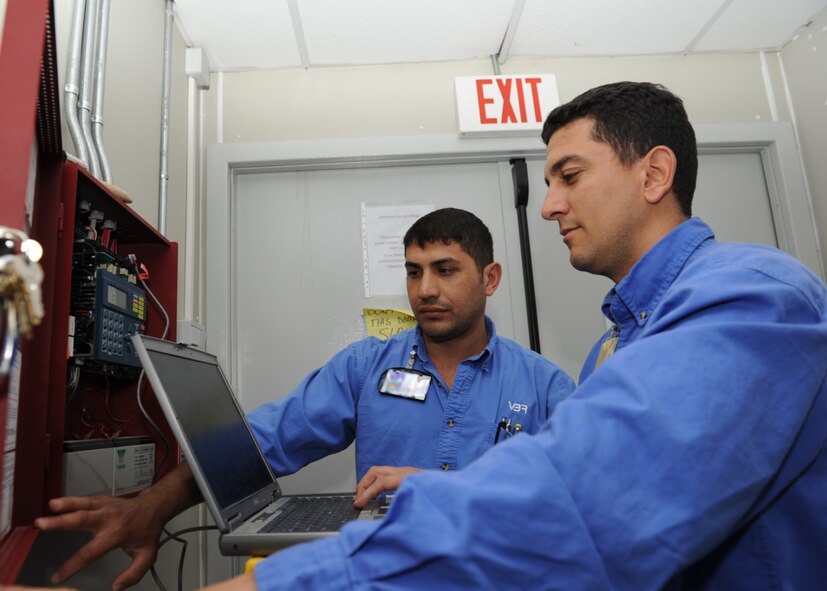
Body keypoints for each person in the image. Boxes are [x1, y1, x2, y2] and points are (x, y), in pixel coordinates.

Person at [192, 81, 827, 590]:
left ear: (654, 174)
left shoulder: (753, 295)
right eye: (414, 272)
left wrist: (278, 583)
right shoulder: (617, 343)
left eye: (569, 176)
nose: (549, 205)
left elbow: (579, 504)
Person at [35, 207, 575, 589]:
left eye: (445, 270)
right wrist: (152, 506)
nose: (425, 290)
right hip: (386, 577)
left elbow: (573, 503)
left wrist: (449, 489)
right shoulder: (368, 366)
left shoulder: (545, 386)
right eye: (414, 271)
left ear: (491, 277)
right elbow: (259, 443)